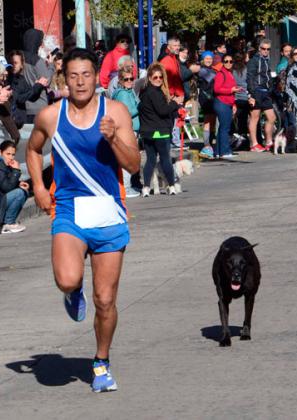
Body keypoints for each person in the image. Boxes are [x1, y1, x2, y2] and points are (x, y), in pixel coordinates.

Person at [26, 47, 139, 394]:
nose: (80, 82)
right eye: (73, 75)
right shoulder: (51, 116)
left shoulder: (115, 112)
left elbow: (134, 165)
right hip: (70, 210)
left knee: (105, 300)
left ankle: (101, 363)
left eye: (86, 74)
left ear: (96, 77)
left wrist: (113, 137)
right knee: (66, 279)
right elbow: (32, 150)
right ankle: (72, 293)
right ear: (65, 79)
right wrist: (40, 188)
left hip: (108, 211)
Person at [138, 63, 182, 196]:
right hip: (159, 131)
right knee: (165, 159)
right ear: (149, 78)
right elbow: (162, 111)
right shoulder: (155, 92)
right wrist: (175, 103)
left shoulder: (144, 92)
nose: (158, 79)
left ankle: (146, 187)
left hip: (147, 132)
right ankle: (172, 185)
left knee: (150, 160)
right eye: (155, 77)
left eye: (160, 77)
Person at [111, 62, 142, 198]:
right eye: (126, 79)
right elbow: (126, 112)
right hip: (126, 131)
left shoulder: (129, 92)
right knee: (126, 158)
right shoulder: (122, 94)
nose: (129, 82)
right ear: (120, 80)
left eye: (131, 78)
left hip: (132, 130)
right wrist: (141, 106)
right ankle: (126, 188)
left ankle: (127, 185)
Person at [246, 38, 276, 152]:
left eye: (268, 49)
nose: (266, 51)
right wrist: (252, 94)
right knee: (255, 118)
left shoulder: (266, 60)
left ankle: (269, 142)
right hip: (257, 91)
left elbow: (267, 76)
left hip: (266, 92)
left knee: (272, 117)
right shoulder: (254, 61)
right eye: (263, 49)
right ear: (259, 48)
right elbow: (250, 77)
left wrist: (271, 88)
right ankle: (254, 144)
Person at [7, 49, 48, 128]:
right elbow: (20, 98)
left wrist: (38, 85)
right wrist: (38, 85)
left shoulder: (22, 78)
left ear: (22, 64)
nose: (13, 66)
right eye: (11, 63)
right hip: (18, 118)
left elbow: (30, 96)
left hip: (26, 116)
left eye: (15, 63)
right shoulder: (11, 79)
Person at [22, 28, 55, 123]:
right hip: (38, 106)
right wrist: (51, 65)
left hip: (23, 105)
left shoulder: (19, 58)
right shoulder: (37, 60)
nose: (42, 44)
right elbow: (46, 81)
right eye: (41, 41)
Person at [212, 54, 239, 159]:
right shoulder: (221, 73)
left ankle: (218, 151)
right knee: (225, 128)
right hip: (221, 103)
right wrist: (231, 90)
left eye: (230, 61)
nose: (228, 63)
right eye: (226, 61)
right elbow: (217, 89)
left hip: (227, 102)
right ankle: (224, 151)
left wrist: (234, 104)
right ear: (222, 62)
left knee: (222, 128)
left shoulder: (229, 73)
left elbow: (231, 90)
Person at [230, 52, 250, 149]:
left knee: (234, 119)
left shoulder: (232, 70)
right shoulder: (246, 69)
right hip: (244, 97)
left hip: (235, 97)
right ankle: (244, 141)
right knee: (243, 119)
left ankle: (234, 137)